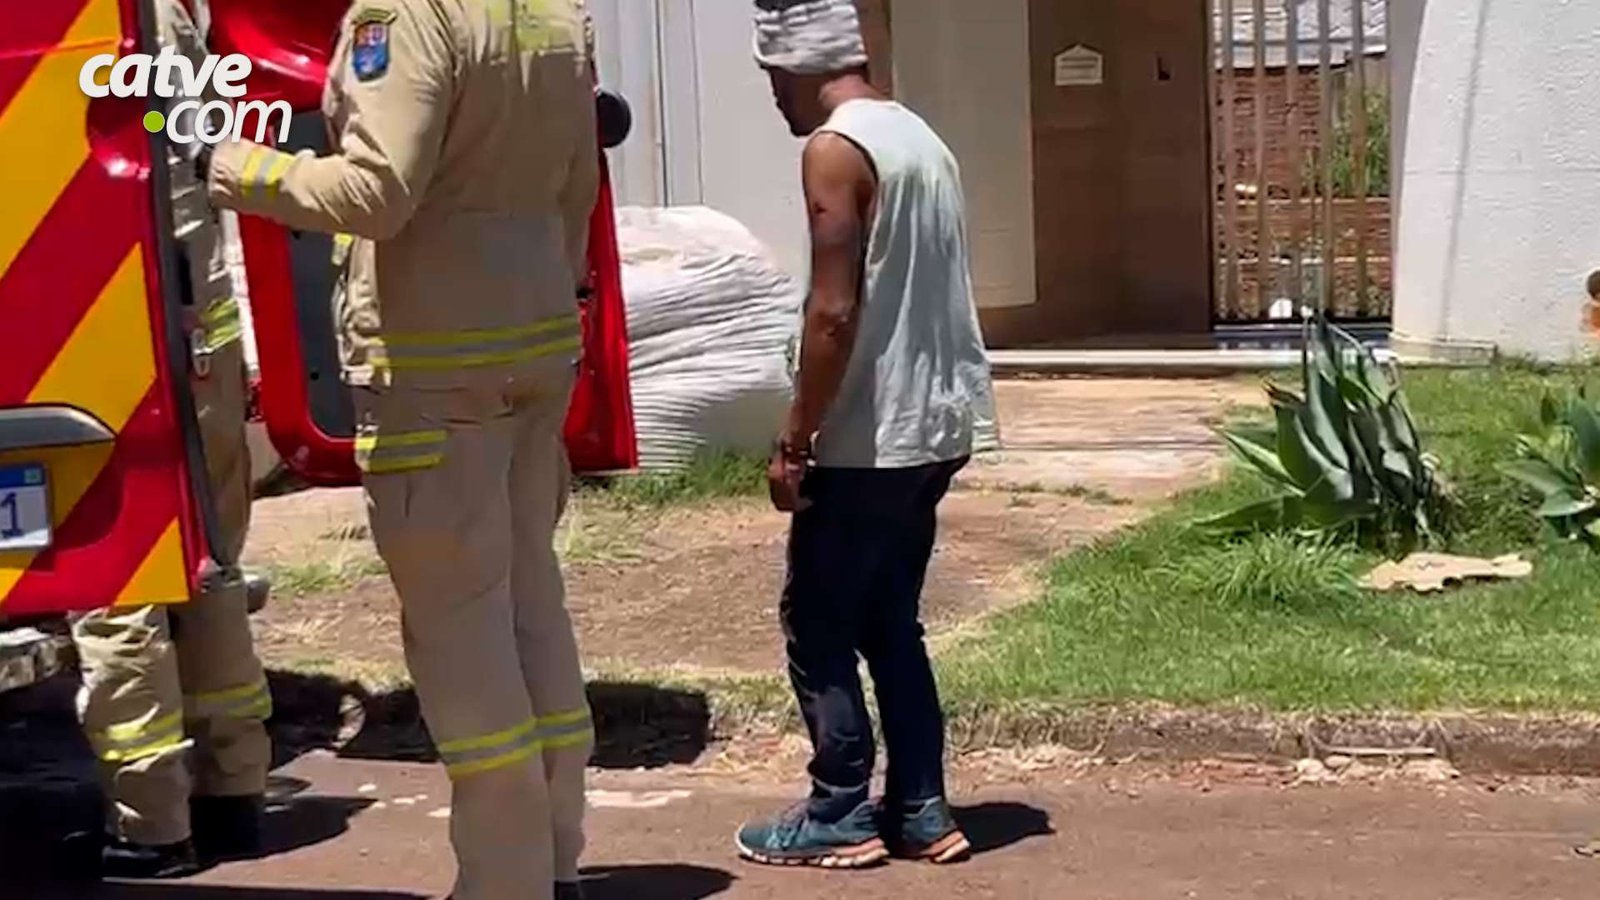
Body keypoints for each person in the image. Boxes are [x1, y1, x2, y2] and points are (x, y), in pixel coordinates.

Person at [201, 2, 601, 897]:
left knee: (463, 635)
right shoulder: (555, 10)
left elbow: (374, 193)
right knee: (531, 606)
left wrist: (223, 164)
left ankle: (505, 882)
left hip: (435, 369)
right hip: (535, 347)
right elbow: (579, 180)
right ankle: (555, 858)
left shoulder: (405, 14)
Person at [735, 0, 1000, 871]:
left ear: (800, 65)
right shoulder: (921, 137)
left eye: (774, 78)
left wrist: (795, 437)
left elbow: (834, 309)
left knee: (816, 621)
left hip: (870, 435)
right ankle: (922, 810)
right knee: (890, 620)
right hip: (937, 425)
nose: (774, 96)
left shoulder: (835, 148)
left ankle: (840, 811)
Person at [72, 0, 273, 879]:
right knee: (209, 561)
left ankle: (150, 824)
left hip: (104, 326)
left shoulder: (77, 23)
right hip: (202, 335)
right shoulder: (166, 14)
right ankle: (235, 791)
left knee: (117, 574)